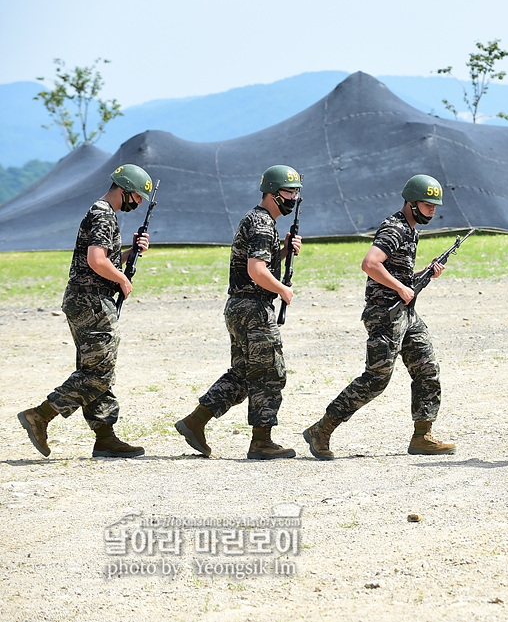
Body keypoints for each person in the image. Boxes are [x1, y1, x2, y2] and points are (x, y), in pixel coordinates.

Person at [302, 175, 456, 459]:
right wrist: (400, 287)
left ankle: (422, 436)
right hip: (385, 314)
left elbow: (400, 274)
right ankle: (321, 429)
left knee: (427, 368)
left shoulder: (411, 231)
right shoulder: (395, 228)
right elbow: (370, 264)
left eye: (435, 206)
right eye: (427, 205)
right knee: (376, 379)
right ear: (411, 203)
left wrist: (424, 273)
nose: (432, 210)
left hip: (405, 313)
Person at [17, 164, 152, 459]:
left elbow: (104, 258)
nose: (139, 202)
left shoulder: (103, 213)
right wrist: (122, 279)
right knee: (99, 372)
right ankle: (40, 415)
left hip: (84, 299)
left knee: (94, 367)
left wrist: (131, 253)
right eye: (138, 197)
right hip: (92, 301)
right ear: (125, 190)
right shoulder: (103, 213)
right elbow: (96, 260)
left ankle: (105, 438)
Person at [175, 165, 303, 460]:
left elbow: (260, 263)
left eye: (297, 192)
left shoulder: (260, 221)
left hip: (240, 308)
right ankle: (261, 442)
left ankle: (195, 421)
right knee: (270, 372)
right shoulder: (261, 224)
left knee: (244, 374)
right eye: (288, 192)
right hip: (253, 309)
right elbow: (256, 270)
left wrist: (283, 251)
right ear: (272, 193)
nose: (293, 198)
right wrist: (282, 289)